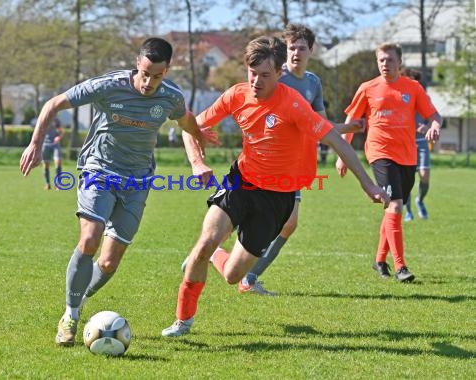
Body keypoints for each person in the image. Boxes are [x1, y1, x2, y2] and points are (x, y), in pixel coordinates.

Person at [162, 36, 389, 337]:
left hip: (277, 199)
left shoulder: (294, 105)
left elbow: (334, 140)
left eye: (265, 75)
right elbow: (191, 126)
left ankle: (212, 255)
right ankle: (183, 320)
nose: (256, 81)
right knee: (205, 241)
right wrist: (197, 163)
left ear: (280, 73)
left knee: (232, 276)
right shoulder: (236, 95)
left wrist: (368, 184)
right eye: (252, 73)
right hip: (240, 181)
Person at [19, 37, 215, 346]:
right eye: (146, 73)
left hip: (137, 182)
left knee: (109, 263)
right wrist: (35, 143)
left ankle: (79, 298)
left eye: (158, 75)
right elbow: (53, 104)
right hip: (99, 170)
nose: (149, 82)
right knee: (89, 238)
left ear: (166, 71)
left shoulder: (170, 96)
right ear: (138, 63)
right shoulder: (108, 85)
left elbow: (184, 118)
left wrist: (199, 134)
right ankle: (70, 315)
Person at [222, 23, 365, 296]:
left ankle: (247, 274)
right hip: (263, 163)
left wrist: (347, 129)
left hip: (295, 164)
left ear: (311, 50)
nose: (296, 52)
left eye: (302, 47)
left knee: (289, 224)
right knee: (277, 220)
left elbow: (320, 124)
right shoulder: (275, 78)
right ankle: (236, 266)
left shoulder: (313, 83)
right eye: (291, 47)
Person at [336, 43, 442, 282]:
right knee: (394, 206)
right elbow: (352, 121)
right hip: (380, 153)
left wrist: (435, 125)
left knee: (393, 209)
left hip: (407, 156)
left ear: (400, 62)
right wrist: (343, 155)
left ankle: (380, 259)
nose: (385, 64)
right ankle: (401, 267)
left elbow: (433, 115)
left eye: (390, 60)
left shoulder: (412, 88)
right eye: (381, 60)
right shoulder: (368, 88)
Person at [400, 68, 432, 221]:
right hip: (405, 143)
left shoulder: (426, 99)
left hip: (421, 143)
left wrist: (429, 128)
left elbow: (434, 119)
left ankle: (420, 200)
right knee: (407, 180)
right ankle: (408, 211)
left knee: (424, 176)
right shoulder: (399, 98)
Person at [40, 118, 63, 190]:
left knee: (58, 162)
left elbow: (62, 131)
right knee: (46, 164)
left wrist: (59, 137)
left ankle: (58, 184)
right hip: (45, 144)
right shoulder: (43, 119)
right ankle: (47, 184)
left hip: (55, 144)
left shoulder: (56, 120)